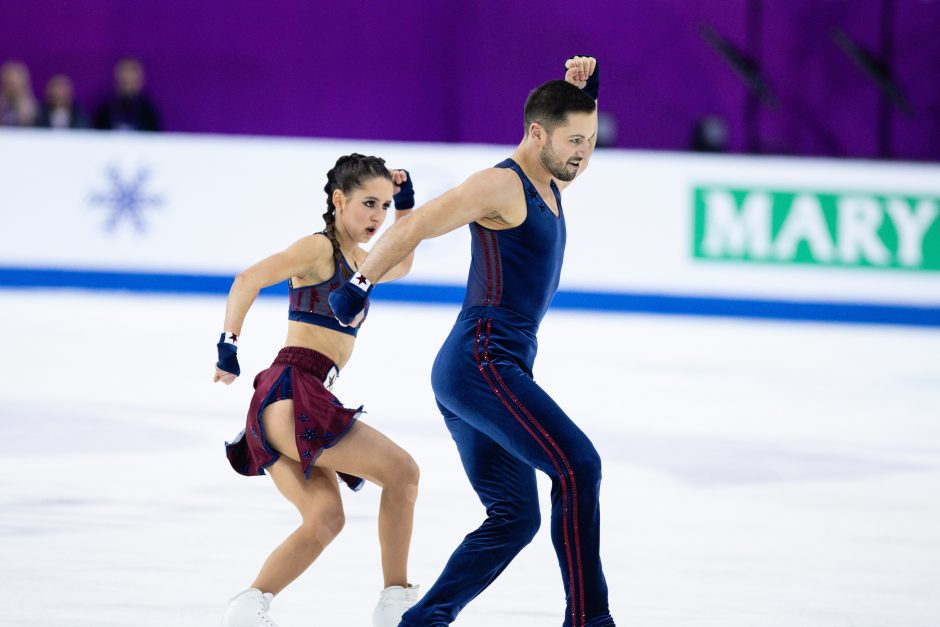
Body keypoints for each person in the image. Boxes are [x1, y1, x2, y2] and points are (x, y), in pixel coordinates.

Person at [329, 56, 615, 626]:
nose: (582, 152)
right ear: (537, 134)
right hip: (482, 362)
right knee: (578, 466)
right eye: (573, 140)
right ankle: (589, 620)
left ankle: (423, 620)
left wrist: (584, 94)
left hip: (483, 367)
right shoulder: (500, 185)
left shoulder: (551, 178)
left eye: (589, 139)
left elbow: (571, 131)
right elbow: (418, 224)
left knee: (514, 516)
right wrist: (361, 284)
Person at [214, 154, 422, 627]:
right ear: (338, 199)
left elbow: (404, 262)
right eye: (369, 203)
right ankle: (395, 605)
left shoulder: (362, 262)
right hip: (294, 391)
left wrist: (408, 206)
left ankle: (247, 609)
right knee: (403, 473)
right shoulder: (318, 249)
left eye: (384, 207)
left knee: (326, 518)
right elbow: (248, 278)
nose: (377, 217)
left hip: (290, 399)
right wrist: (229, 344)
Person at [94, 57, 160, 131]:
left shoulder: (148, 111)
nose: (127, 77)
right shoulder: (106, 109)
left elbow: (155, 137)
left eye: (132, 73)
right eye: (124, 73)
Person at [0, 60, 38, 127]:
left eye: (14, 84)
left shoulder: (34, 110)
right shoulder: (2, 106)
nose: (11, 88)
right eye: (8, 83)